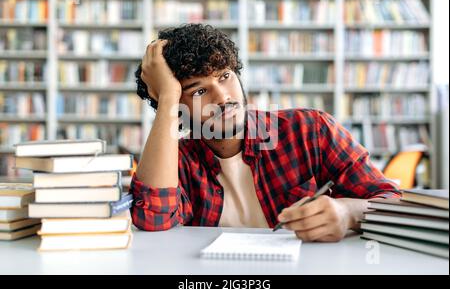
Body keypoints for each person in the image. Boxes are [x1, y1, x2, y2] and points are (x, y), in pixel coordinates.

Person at [132, 24, 401, 242]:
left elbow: (393, 203)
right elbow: (154, 219)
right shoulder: (176, 161)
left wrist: (348, 213)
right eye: (199, 91)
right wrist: (167, 95)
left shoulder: (310, 130)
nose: (223, 98)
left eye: (225, 76)